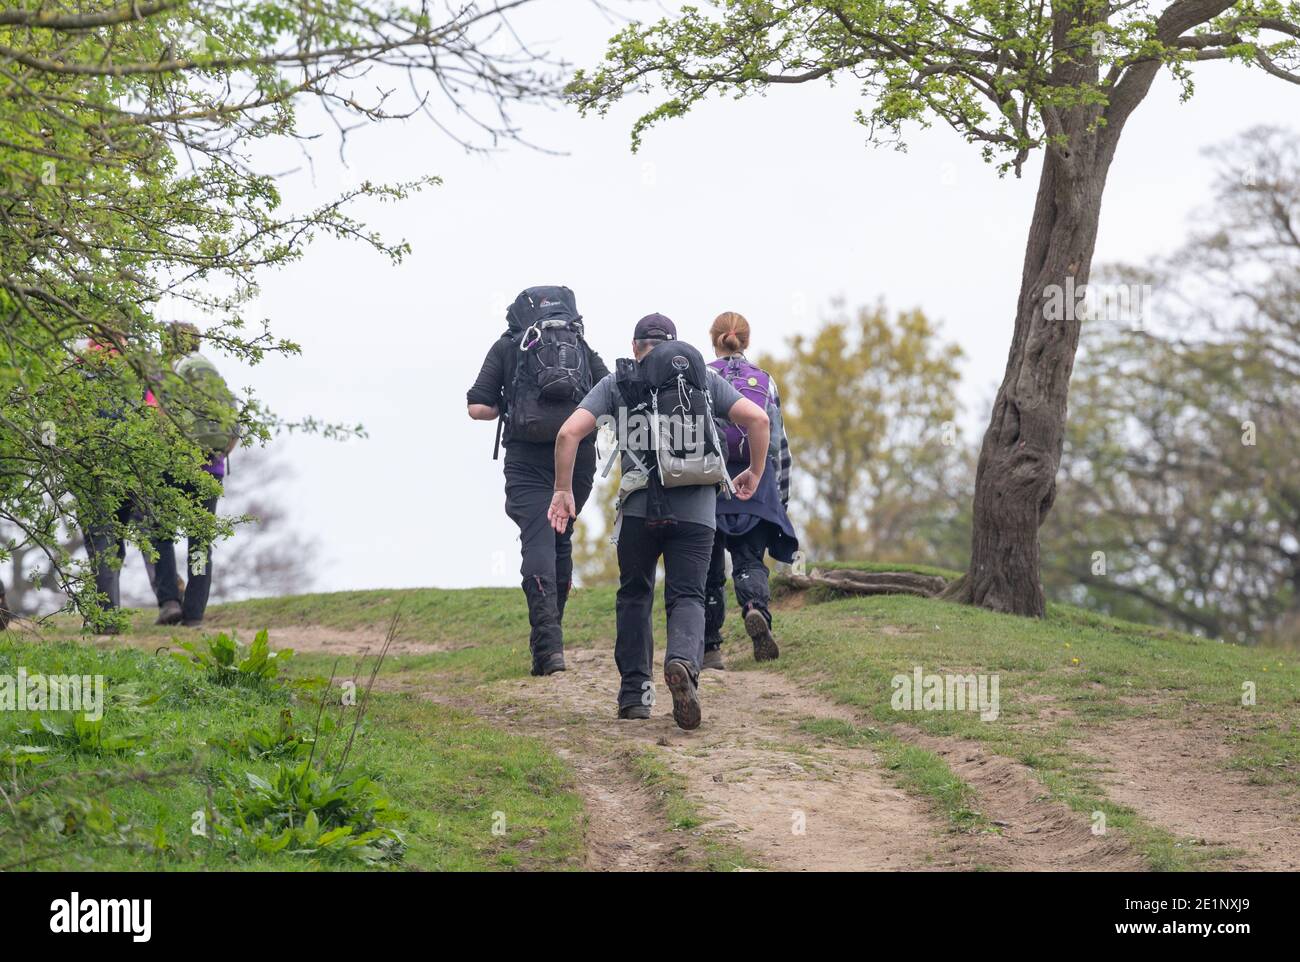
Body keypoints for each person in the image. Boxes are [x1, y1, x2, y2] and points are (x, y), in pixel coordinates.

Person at [548, 314, 770, 731]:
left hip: (638, 510)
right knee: (687, 595)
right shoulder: (701, 378)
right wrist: (753, 473)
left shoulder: (619, 381)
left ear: (636, 347)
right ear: (675, 347)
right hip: (698, 512)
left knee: (635, 594)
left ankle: (635, 696)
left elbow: (567, 434)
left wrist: (564, 489)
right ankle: (683, 663)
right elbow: (758, 420)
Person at [467, 286, 609, 676]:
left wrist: (508, 406)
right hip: (577, 459)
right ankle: (551, 643)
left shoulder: (509, 345)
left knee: (538, 538)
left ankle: (548, 649)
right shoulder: (579, 346)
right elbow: (609, 393)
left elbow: (477, 408)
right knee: (561, 537)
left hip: (527, 461)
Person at [703, 312, 799, 670]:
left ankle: (710, 649)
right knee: (748, 561)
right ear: (746, 340)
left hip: (709, 482)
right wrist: (779, 496)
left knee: (707, 568)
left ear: (714, 339)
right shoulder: (766, 381)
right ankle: (755, 608)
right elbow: (779, 444)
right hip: (756, 483)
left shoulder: (701, 376)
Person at [147, 322, 238, 627]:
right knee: (199, 542)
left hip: (172, 466)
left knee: (159, 533)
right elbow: (233, 427)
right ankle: (195, 613)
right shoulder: (212, 374)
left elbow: (155, 417)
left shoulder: (164, 374)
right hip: (210, 469)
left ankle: (170, 601)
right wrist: (218, 455)